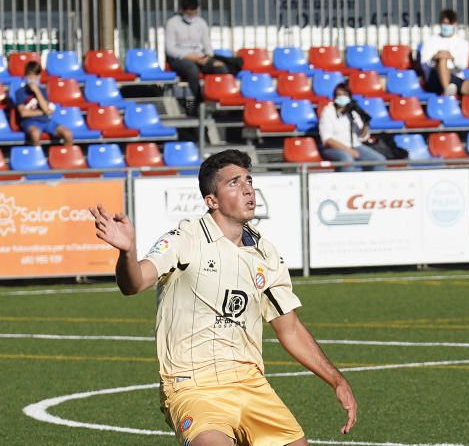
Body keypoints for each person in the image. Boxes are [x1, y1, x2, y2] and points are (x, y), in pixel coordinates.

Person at [90, 149, 358, 445]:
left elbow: (289, 328)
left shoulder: (265, 252)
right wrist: (127, 251)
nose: (247, 190)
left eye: (249, 181)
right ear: (211, 200)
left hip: (251, 385)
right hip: (194, 387)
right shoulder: (185, 238)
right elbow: (135, 282)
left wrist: (336, 379)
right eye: (234, 183)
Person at [164, 0, 242, 108]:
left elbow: (207, 47)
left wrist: (209, 58)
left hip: (200, 57)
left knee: (220, 68)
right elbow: (170, 49)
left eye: (194, 13)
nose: (192, 16)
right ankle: (198, 103)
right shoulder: (172, 23)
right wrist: (193, 57)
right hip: (180, 58)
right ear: (182, 10)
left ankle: (218, 102)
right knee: (192, 70)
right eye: (189, 13)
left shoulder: (201, 23)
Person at [419, 8, 469, 97]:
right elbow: (423, 62)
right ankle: (447, 92)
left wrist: (451, 57)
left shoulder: (462, 43)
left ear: (455, 24)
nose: (446, 26)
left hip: (455, 78)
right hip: (434, 79)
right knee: (442, 59)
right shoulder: (431, 41)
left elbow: (463, 65)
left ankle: (449, 91)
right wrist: (436, 57)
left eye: (449, 24)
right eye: (444, 23)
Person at [318, 84, 385, 171]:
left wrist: (366, 122)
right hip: (334, 147)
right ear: (334, 98)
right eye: (339, 95)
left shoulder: (353, 111)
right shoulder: (328, 111)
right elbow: (327, 139)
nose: (342, 98)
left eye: (345, 95)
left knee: (379, 160)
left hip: (355, 146)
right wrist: (348, 150)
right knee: (347, 159)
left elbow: (362, 136)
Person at [13, 60, 73, 147]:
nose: (32, 79)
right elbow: (23, 113)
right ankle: (37, 158)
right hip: (30, 122)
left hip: (45, 121)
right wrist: (42, 112)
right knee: (35, 134)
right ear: (25, 76)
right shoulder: (20, 92)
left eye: (34, 76)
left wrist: (37, 91)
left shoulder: (43, 91)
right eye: (29, 76)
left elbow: (46, 109)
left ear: (38, 76)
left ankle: (67, 157)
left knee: (68, 134)